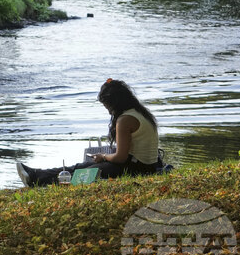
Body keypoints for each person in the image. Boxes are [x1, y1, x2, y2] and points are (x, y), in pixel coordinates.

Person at [15, 79, 161, 187]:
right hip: (146, 165)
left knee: (84, 173)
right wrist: (103, 158)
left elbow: (120, 158)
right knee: (81, 165)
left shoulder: (125, 120)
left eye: (107, 106)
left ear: (115, 103)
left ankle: (39, 181)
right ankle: (35, 174)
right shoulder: (139, 112)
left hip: (137, 169)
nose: (108, 110)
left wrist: (103, 156)